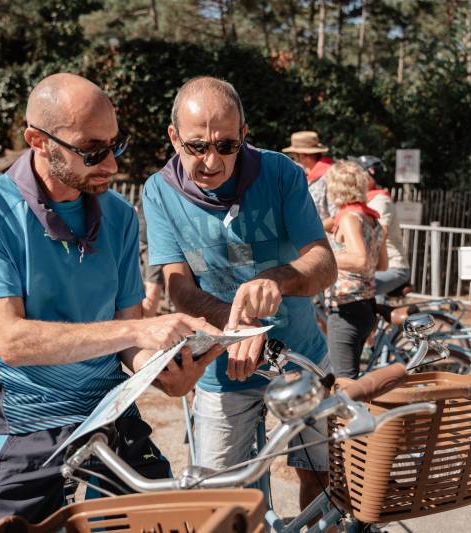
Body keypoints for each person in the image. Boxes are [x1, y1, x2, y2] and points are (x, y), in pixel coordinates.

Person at [0, 73, 224, 532]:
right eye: (93, 150)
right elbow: (12, 340)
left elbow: (128, 346)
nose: (112, 164)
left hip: (112, 416)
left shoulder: (118, 215)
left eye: (117, 145)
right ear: (38, 140)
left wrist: (165, 375)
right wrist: (138, 332)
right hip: (24, 425)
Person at [142, 77, 337, 509]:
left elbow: (324, 263)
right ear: (174, 138)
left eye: (225, 146)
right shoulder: (158, 191)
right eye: (196, 147)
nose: (211, 160)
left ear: (244, 136)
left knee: (323, 480)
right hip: (220, 368)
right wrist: (238, 323)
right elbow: (179, 286)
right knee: (219, 497)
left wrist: (277, 280)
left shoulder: (281, 172)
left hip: (299, 356)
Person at [325, 160, 388, 379]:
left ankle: (352, 414)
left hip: (346, 307)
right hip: (366, 306)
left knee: (345, 385)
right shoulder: (372, 219)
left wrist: (322, 257)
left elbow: (360, 260)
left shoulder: (351, 218)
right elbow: (382, 265)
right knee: (351, 380)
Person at [350, 155, 411, 302]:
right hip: (375, 266)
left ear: (369, 178)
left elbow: (379, 235)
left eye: (358, 173)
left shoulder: (380, 201)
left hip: (393, 267)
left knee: (355, 290)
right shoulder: (365, 200)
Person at [282, 130, 335, 230]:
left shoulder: (331, 176)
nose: (294, 160)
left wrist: (308, 231)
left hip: (327, 241)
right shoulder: (306, 176)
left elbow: (336, 216)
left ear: (303, 155)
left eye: (294, 156)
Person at [136, 200, 165, 317]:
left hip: (146, 238)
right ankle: (146, 323)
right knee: (151, 283)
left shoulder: (153, 187)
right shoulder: (160, 187)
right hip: (148, 239)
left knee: (148, 283)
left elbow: (136, 208)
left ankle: (144, 323)